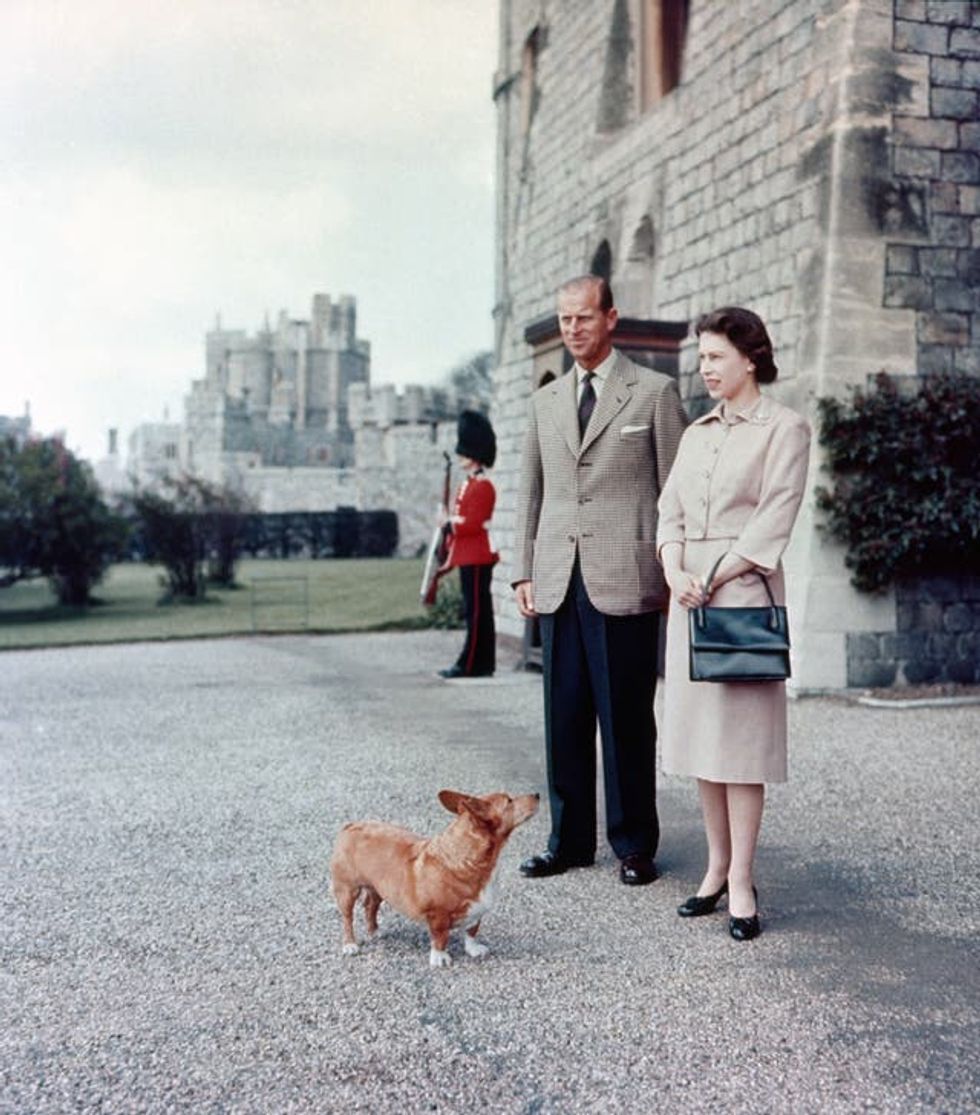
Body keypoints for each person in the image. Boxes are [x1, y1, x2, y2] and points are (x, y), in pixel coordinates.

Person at [512, 275, 688, 885]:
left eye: (583, 318)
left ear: (610, 317)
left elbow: (677, 492)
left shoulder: (655, 394)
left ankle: (634, 844)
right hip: (558, 576)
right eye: (564, 320)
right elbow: (530, 491)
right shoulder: (546, 401)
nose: (573, 330)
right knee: (563, 717)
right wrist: (521, 573)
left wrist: (676, 568)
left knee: (626, 719)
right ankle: (568, 842)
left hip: (626, 578)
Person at [656, 306, 811, 940]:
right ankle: (715, 868)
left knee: (741, 748)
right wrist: (672, 570)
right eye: (701, 360)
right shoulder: (696, 434)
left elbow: (774, 517)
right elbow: (667, 514)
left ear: (751, 358)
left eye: (716, 357)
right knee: (701, 744)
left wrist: (712, 575)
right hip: (688, 599)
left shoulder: (786, 429)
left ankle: (743, 878)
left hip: (740, 594)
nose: (706, 369)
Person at [438, 410, 499, 679]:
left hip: (476, 554)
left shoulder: (484, 486)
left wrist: (448, 524)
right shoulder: (470, 484)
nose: (460, 456)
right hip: (467, 554)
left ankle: (471, 662)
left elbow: (473, 522)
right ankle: (482, 662)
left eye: (464, 453)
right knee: (476, 610)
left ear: (474, 455)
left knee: (476, 612)